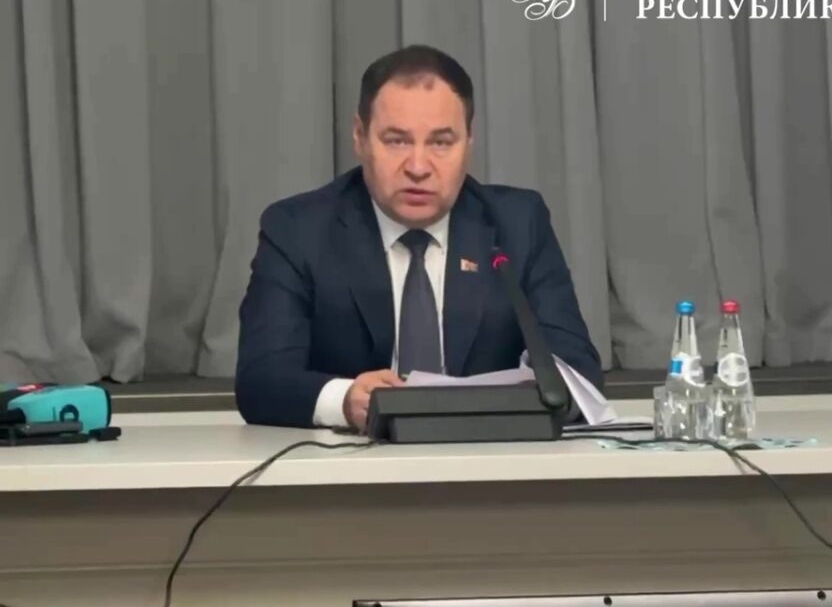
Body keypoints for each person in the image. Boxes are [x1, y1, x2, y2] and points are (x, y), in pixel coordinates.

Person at [235, 44, 602, 431]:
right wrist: (344, 400)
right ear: (359, 137)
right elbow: (261, 379)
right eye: (397, 140)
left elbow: (577, 372)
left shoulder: (517, 225)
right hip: (352, 460)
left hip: (490, 453)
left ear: (469, 141)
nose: (418, 167)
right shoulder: (299, 229)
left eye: (441, 142)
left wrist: (505, 405)